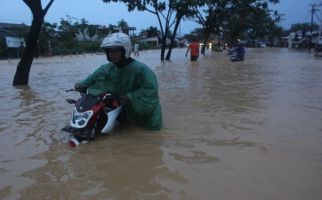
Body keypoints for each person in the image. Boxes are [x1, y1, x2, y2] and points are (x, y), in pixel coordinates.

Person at [74, 32, 162, 131]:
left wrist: (130, 96)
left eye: (116, 51)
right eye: (110, 51)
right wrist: (81, 84)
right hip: (124, 110)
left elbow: (151, 89)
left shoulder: (141, 69)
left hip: (146, 113)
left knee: (150, 138)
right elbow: (93, 77)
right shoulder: (107, 68)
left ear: (125, 50)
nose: (113, 55)